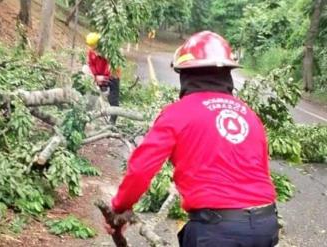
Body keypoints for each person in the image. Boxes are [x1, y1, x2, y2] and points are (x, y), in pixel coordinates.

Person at [106, 31, 279, 247]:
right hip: (266, 225)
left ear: (185, 75)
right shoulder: (249, 115)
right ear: (227, 74)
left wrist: (119, 208)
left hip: (217, 232)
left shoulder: (177, 113)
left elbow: (141, 169)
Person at [85, 32, 121, 124]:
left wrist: (105, 77)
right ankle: (89, 114)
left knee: (113, 98)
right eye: (91, 46)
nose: (92, 48)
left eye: (93, 46)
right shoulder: (91, 51)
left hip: (112, 75)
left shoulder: (109, 50)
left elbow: (110, 66)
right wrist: (96, 76)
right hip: (99, 76)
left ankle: (113, 120)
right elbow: (91, 64)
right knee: (93, 93)